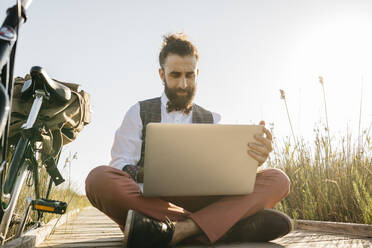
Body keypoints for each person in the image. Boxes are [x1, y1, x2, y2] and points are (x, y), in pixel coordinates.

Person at [85, 33, 292, 248]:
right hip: (151, 203)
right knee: (98, 179)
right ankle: (225, 228)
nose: (183, 84)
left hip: (202, 200)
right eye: (175, 75)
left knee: (278, 179)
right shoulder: (138, 112)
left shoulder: (212, 119)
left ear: (197, 73)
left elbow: (225, 172)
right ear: (161, 74)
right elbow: (119, 164)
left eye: (189, 75)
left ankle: (175, 231)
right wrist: (148, 173)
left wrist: (251, 163)